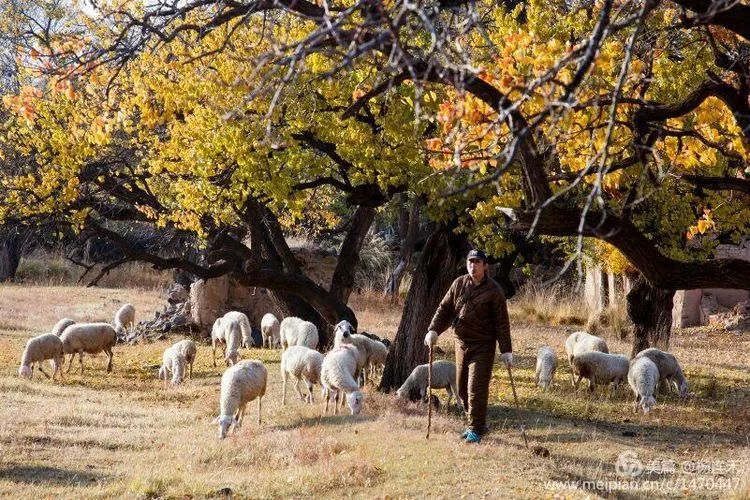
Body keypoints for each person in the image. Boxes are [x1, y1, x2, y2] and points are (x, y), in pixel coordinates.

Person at [425, 249, 512, 444]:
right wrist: (434, 330)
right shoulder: (459, 283)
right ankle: (477, 424)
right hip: (461, 344)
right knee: (462, 389)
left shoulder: (494, 290)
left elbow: (502, 323)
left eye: (477, 261)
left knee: (476, 388)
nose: (472, 265)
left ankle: (475, 429)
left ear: (485, 265)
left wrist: (506, 350)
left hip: (483, 346)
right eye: (470, 261)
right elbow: (444, 308)